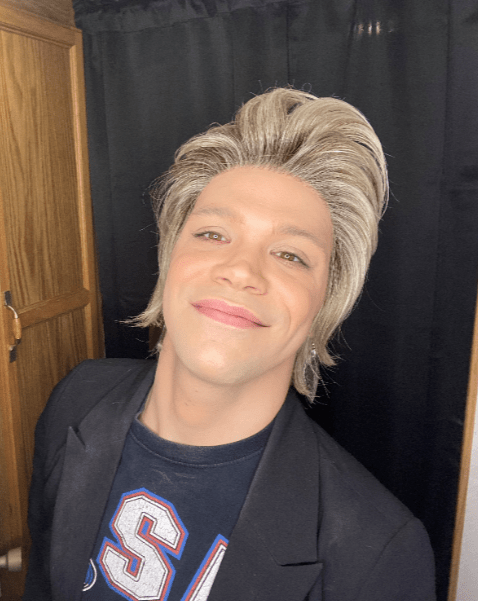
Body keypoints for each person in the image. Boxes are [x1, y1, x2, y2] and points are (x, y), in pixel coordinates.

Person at [24, 87, 436, 601]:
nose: (241, 270)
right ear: (170, 259)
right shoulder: (76, 397)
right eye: (214, 234)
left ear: (324, 305)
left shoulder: (379, 554)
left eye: (291, 255)